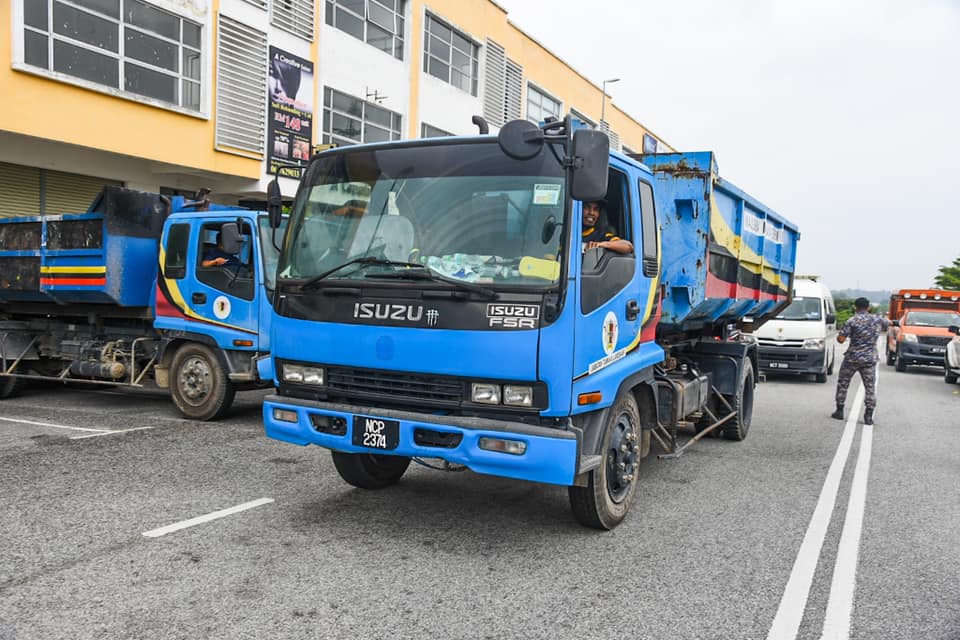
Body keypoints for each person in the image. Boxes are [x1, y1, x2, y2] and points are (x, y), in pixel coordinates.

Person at [832, 297, 889, 425]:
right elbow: (888, 324)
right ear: (868, 307)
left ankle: (839, 411)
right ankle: (868, 416)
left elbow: (841, 339)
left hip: (852, 358)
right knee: (869, 388)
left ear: (855, 307)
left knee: (843, 384)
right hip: (869, 359)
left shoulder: (851, 321)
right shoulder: (877, 320)